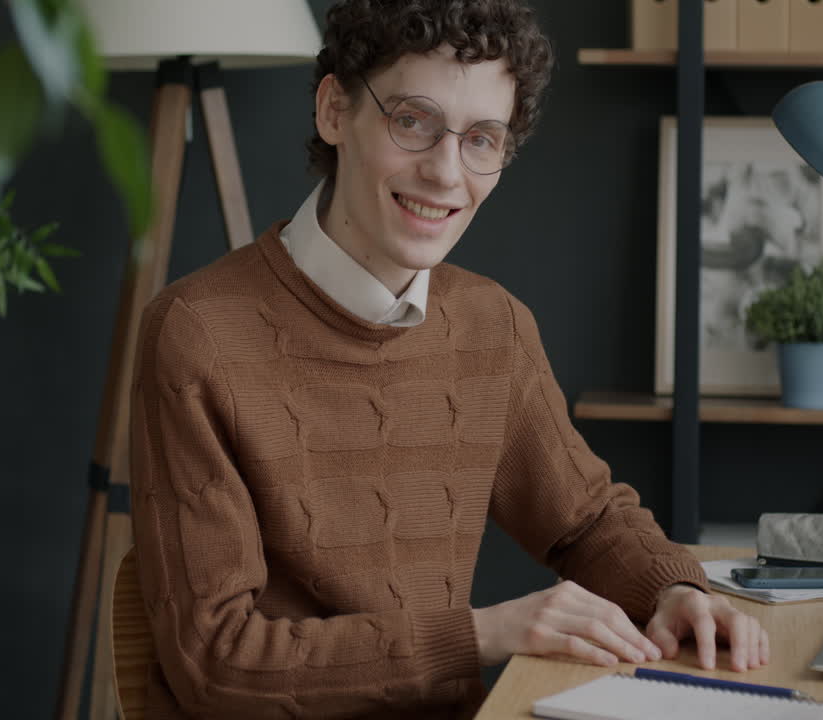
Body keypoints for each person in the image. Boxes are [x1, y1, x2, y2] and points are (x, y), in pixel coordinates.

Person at [128, 1, 770, 718]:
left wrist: (674, 591)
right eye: (412, 121)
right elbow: (217, 664)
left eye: (482, 139)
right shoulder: (196, 333)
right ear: (335, 110)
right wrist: (483, 634)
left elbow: (585, 521)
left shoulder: (492, 325)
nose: (444, 172)